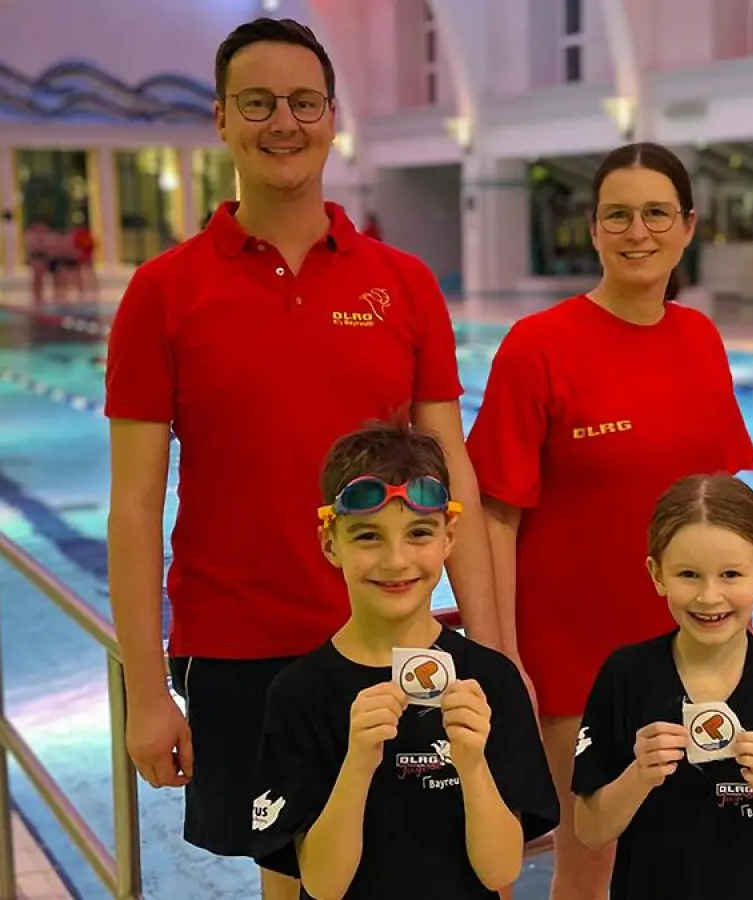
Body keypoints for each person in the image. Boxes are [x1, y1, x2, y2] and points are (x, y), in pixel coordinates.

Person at [103, 17, 501, 900]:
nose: (283, 122)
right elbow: (134, 506)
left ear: (332, 117)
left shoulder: (402, 282)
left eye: (303, 101)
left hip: (394, 634)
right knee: (289, 877)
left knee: (421, 865)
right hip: (241, 648)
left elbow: (455, 472)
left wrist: (493, 653)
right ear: (221, 119)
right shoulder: (164, 292)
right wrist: (145, 694)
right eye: (258, 102)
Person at [465, 141, 753, 899]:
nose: (638, 232)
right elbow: (492, 517)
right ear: (593, 229)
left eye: (657, 213)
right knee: (589, 856)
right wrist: (500, 660)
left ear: (688, 226)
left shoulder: (701, 340)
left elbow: (724, 498)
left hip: (698, 648)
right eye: (618, 215)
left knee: (694, 849)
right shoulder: (540, 348)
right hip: (574, 666)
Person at [253, 421, 558, 899]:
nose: (396, 561)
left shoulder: (490, 681)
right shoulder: (301, 693)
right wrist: (357, 763)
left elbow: (501, 871)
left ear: (449, 536)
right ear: (331, 543)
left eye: (418, 533)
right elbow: (322, 883)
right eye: (368, 537)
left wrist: (473, 765)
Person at [571, 474, 753, 900]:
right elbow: (590, 831)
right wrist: (638, 775)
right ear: (657, 575)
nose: (710, 597)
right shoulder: (627, 676)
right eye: (688, 574)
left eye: (731, 574)